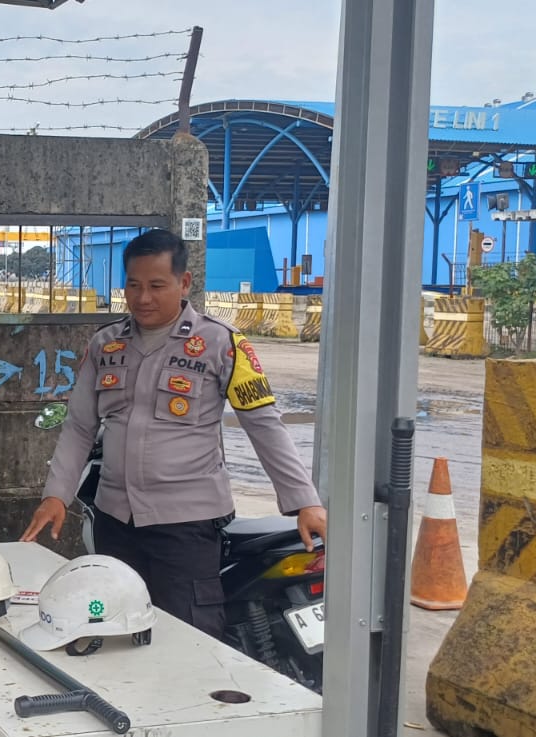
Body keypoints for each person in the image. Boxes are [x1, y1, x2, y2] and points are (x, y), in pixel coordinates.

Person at [21, 228, 326, 639]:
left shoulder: (222, 344)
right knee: (116, 631)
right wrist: (56, 495)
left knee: (191, 639)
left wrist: (305, 501)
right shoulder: (106, 344)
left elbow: (264, 424)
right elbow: (79, 426)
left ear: (184, 283)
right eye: (133, 285)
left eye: (156, 285)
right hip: (115, 520)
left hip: (186, 526)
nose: (143, 298)